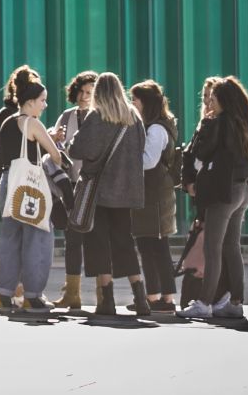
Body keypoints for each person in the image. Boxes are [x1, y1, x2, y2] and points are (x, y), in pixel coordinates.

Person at [180, 75, 248, 320]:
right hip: (242, 191)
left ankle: (203, 303)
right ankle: (235, 301)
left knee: (213, 248)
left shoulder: (219, 123)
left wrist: (205, 125)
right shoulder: (245, 123)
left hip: (222, 193)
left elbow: (201, 151)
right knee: (232, 247)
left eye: (212, 99)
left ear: (223, 100)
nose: (209, 104)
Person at [65, 72, 152, 317]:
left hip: (101, 191)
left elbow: (79, 149)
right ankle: (140, 297)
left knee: (99, 244)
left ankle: (108, 300)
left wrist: (70, 143)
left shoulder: (97, 116)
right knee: (125, 242)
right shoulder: (133, 116)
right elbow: (140, 149)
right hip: (128, 192)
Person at [0, 76, 67, 314]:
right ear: (30, 102)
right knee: (38, 238)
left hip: (9, 182)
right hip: (30, 187)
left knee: (11, 240)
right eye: (42, 101)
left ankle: (3, 295)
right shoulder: (32, 123)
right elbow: (55, 156)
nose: (45, 105)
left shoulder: (7, 121)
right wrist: (57, 147)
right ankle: (33, 296)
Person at [130, 80, 180, 313]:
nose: (132, 104)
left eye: (135, 100)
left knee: (156, 246)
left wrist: (125, 161)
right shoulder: (156, 125)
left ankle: (165, 299)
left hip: (155, 196)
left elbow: (148, 161)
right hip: (151, 195)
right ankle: (156, 296)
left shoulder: (156, 128)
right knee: (149, 245)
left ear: (146, 103)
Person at [51, 70, 99, 310]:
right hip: (70, 185)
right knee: (72, 240)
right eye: (81, 91)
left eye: (90, 92)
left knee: (97, 240)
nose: (84, 96)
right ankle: (72, 293)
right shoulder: (66, 116)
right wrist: (55, 138)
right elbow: (54, 148)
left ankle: (103, 294)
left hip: (94, 186)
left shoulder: (101, 116)